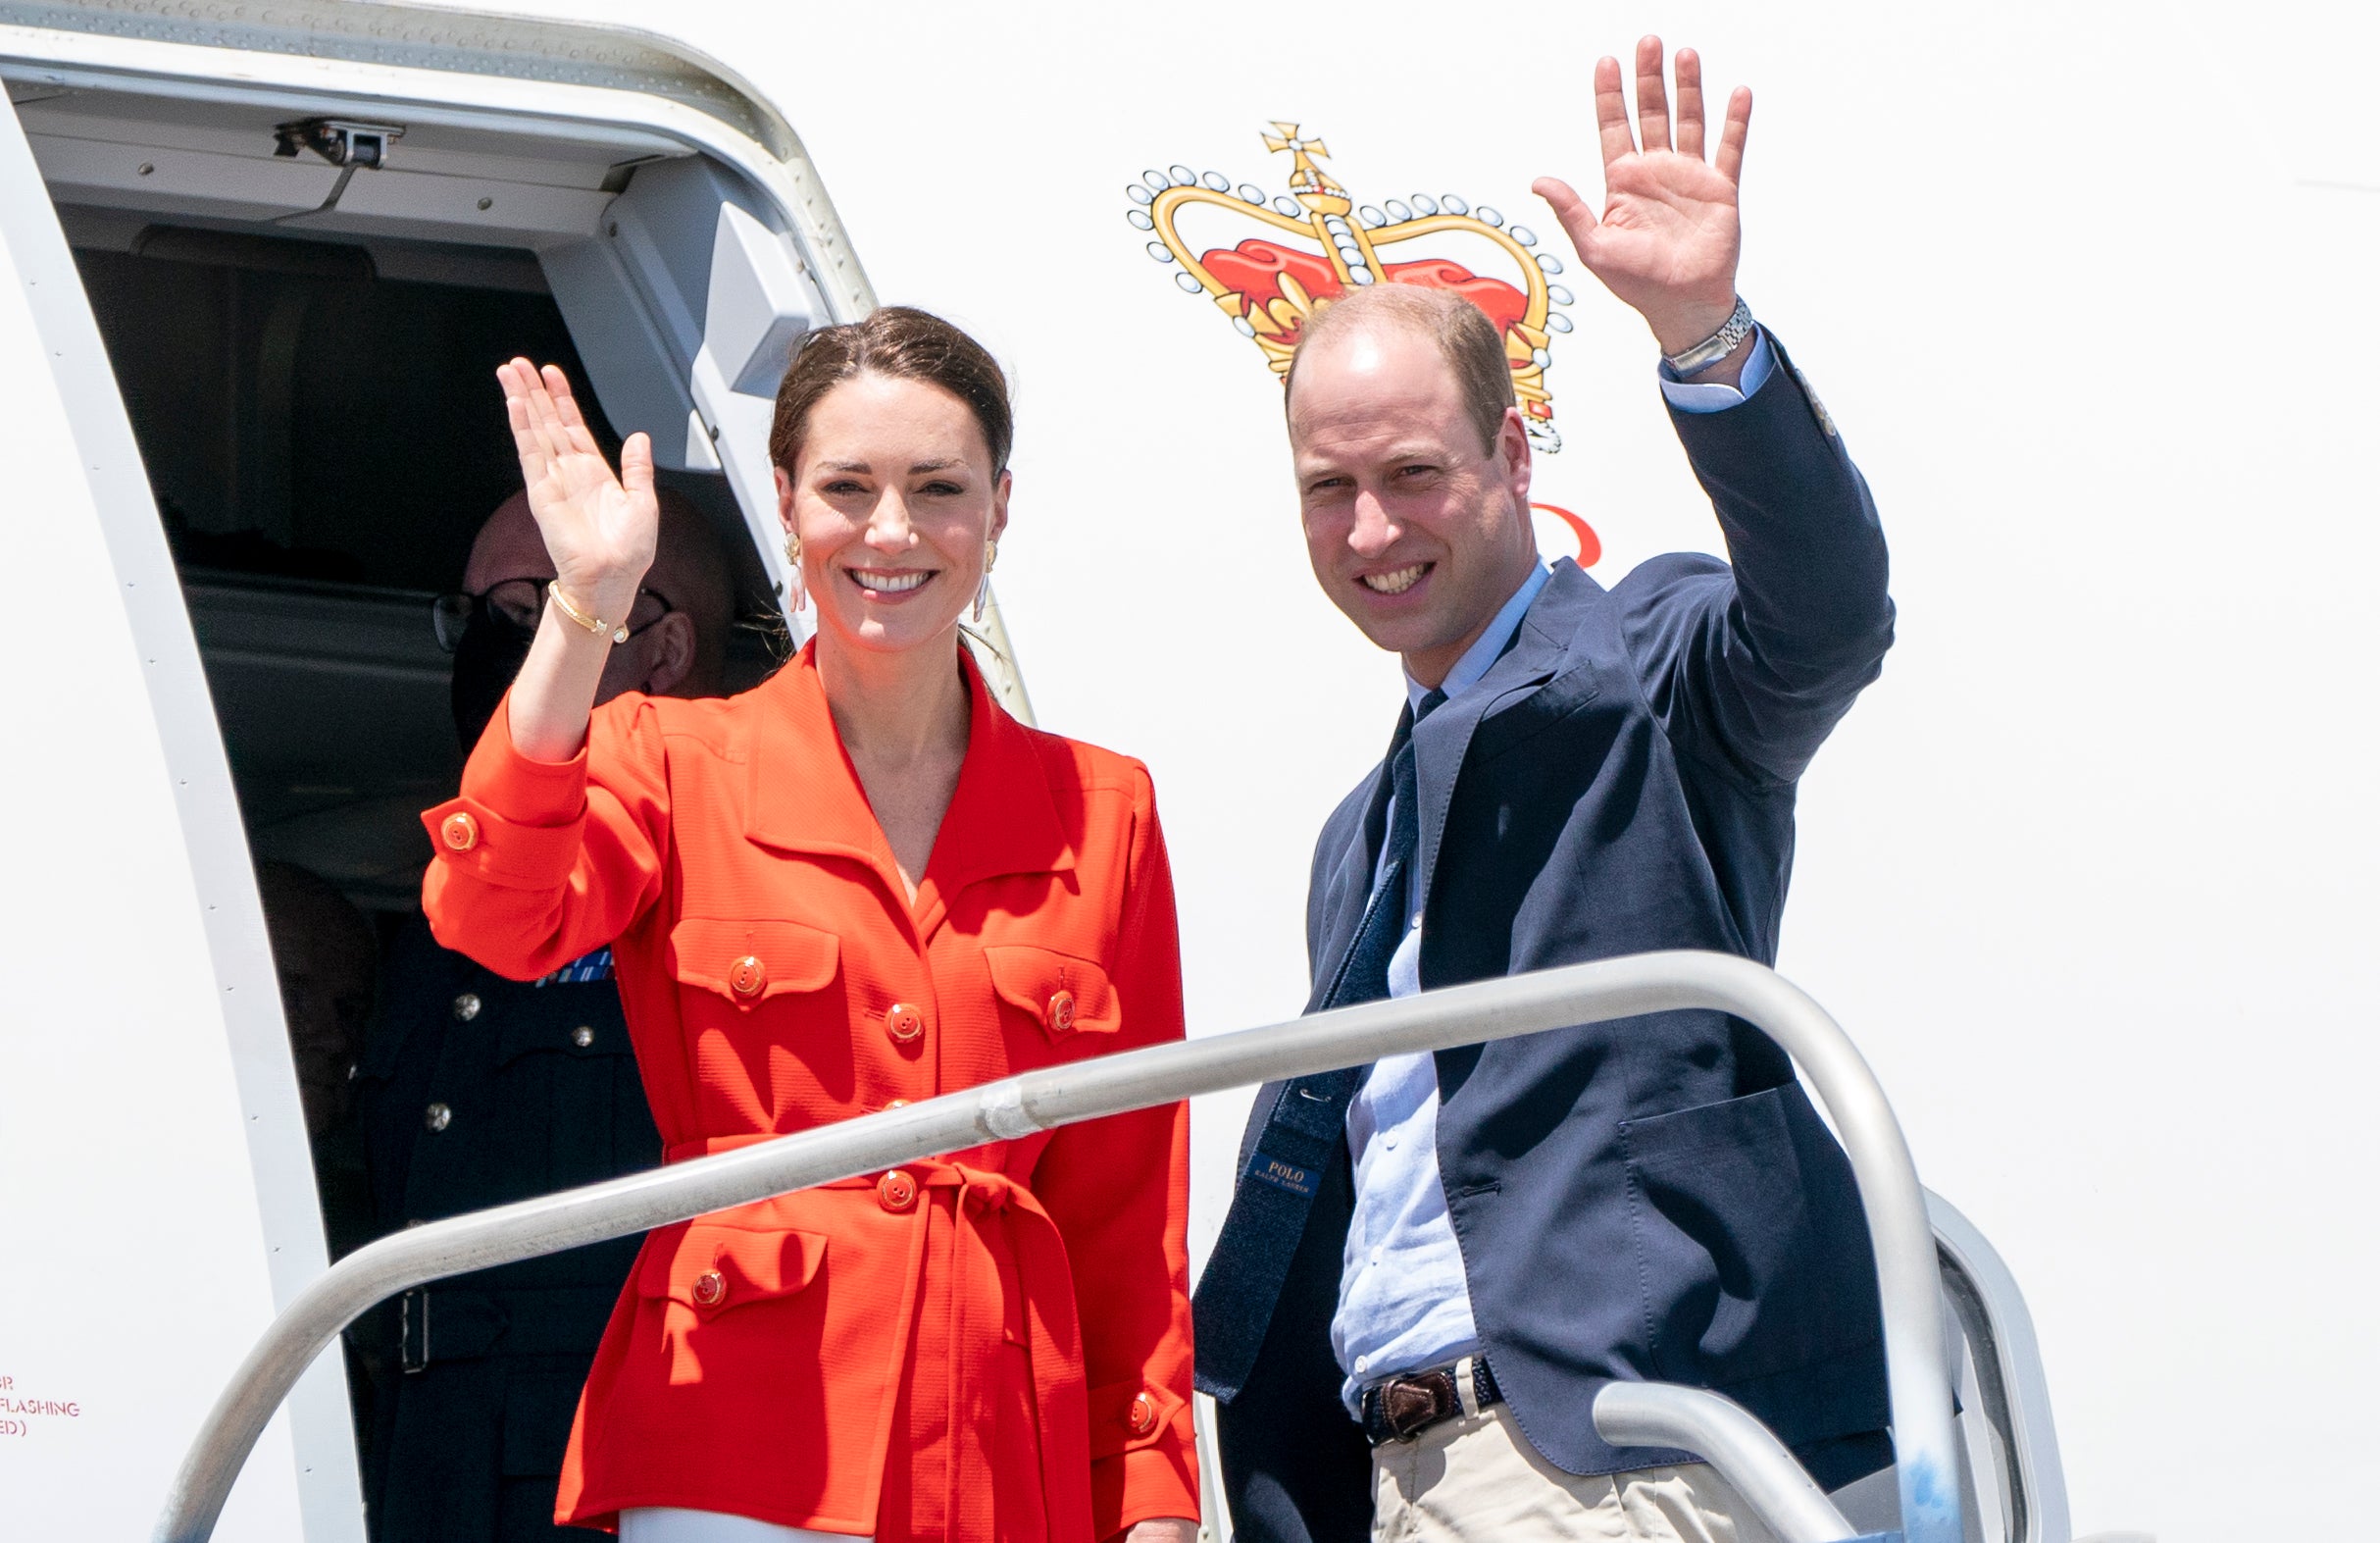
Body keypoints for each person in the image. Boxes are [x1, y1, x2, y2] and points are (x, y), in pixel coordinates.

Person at [1192, 39, 1897, 1543]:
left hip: (1611, 1448)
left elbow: (1825, 614)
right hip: (1399, 1473)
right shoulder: (1356, 834)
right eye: (1328, 488)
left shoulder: (1643, 661)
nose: (1371, 527)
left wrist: (1706, 340)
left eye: (1411, 473)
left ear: (1511, 455)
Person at [420, 307, 1199, 1543]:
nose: (890, 530)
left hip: (1003, 1456)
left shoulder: (1104, 812)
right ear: (785, 502)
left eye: (937, 488)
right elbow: (491, 915)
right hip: (736, 1440)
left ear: (999, 508)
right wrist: (581, 611)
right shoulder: (672, 757)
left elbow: (1125, 1211)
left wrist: (1150, 1501)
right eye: (848, 486)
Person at [351, 487, 735, 1543]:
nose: (492, 645)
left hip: (605, 1477)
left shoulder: (740, 891)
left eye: (535, 608)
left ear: (662, 650)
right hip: (429, 1467)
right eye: (474, 612)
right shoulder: (437, 912)